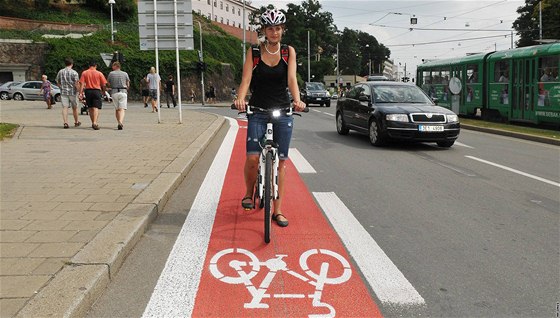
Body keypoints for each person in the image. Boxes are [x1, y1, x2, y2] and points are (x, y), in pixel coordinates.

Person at [233, 7, 306, 228]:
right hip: (258, 109)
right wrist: (240, 99)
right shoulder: (254, 52)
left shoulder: (288, 52)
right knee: (253, 157)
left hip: (283, 110)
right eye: (270, 28)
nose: (274, 33)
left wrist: (298, 100)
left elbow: (292, 79)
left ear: (283, 30)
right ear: (264, 30)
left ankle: (278, 210)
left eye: (278, 28)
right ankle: (248, 193)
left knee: (281, 161)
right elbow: (246, 80)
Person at [79, 60, 107, 130]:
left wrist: (80, 93)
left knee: (90, 107)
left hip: (88, 91)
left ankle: (93, 122)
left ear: (89, 66)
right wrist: (104, 92)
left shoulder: (84, 73)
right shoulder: (99, 73)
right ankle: (95, 122)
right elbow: (104, 84)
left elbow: (82, 83)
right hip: (97, 91)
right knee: (96, 107)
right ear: (96, 66)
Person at [55, 57, 81, 129]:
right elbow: (76, 83)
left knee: (65, 107)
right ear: (72, 64)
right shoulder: (74, 72)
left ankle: (65, 122)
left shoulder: (60, 71)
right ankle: (76, 122)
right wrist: (79, 91)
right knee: (74, 108)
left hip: (64, 92)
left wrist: (61, 87)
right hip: (73, 92)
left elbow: (57, 81)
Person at [106, 61, 130, 130]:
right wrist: (127, 89)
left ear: (116, 66)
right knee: (122, 109)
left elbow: (108, 83)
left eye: (113, 66)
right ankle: (120, 122)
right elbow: (128, 83)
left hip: (114, 92)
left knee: (117, 109)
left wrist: (110, 87)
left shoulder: (111, 73)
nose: (112, 67)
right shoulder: (125, 73)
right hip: (123, 92)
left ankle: (118, 122)